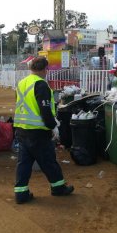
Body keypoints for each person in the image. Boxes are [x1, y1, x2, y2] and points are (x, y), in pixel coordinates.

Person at [13, 57, 74, 204]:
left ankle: (21, 194)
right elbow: (45, 109)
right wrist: (52, 126)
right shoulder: (40, 85)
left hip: (21, 129)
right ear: (44, 69)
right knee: (48, 161)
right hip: (37, 131)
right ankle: (58, 188)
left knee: (24, 163)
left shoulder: (22, 82)